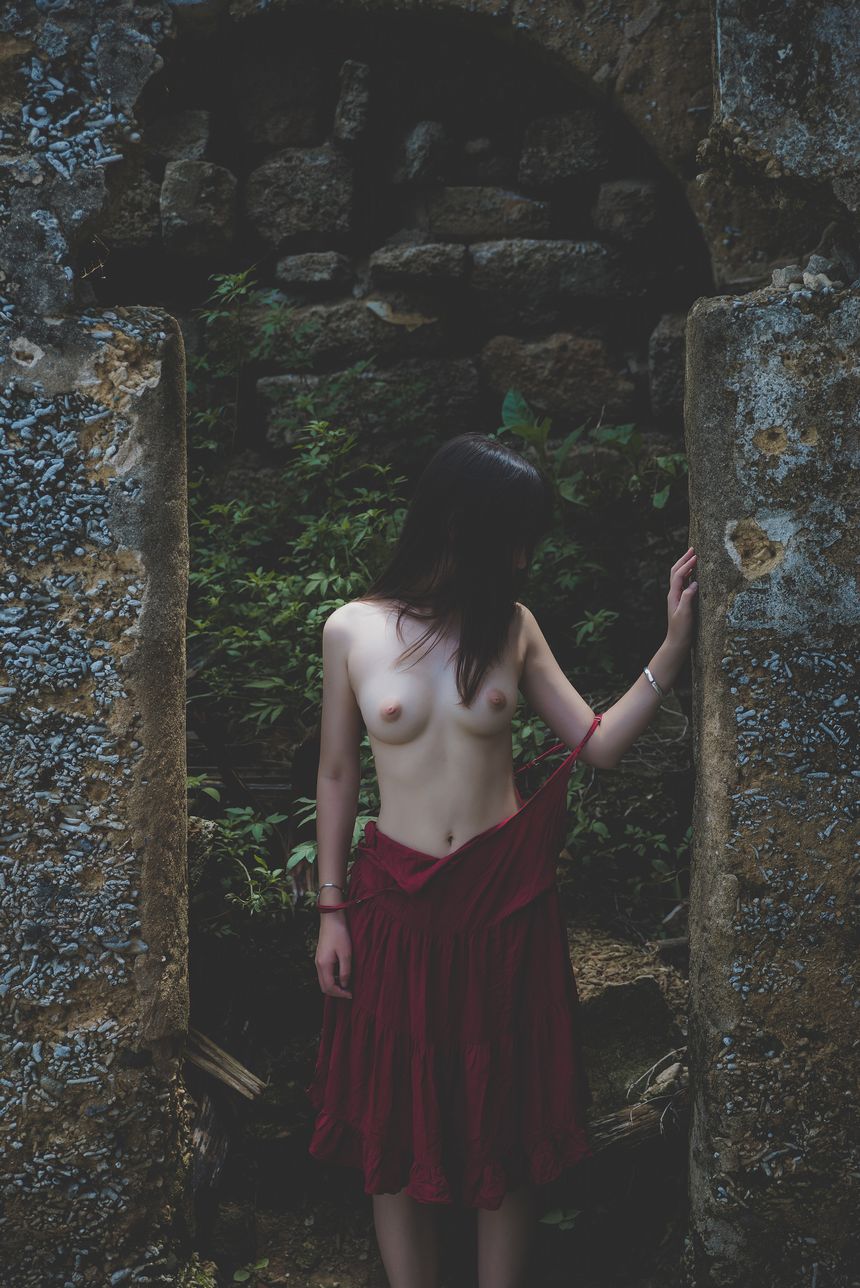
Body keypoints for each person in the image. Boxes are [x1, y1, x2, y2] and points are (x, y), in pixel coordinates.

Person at [305, 432, 698, 1288]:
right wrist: (332, 912)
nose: (523, 557)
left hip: (506, 901)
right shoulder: (352, 629)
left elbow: (596, 745)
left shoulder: (512, 627)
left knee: (505, 1117)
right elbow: (336, 773)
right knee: (394, 1118)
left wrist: (670, 650)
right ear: (461, 525)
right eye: (514, 536)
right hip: (396, 903)